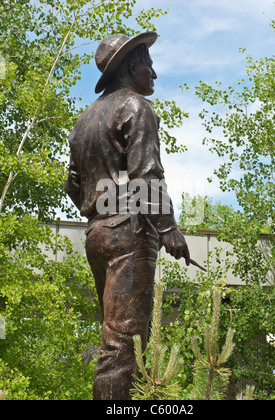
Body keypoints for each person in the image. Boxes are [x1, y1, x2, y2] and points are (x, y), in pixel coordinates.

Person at [65, 32, 190, 400]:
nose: (154, 73)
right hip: (128, 235)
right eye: (148, 64)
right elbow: (146, 175)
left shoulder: (85, 119)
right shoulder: (137, 107)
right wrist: (169, 230)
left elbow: (73, 184)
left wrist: (99, 212)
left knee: (114, 336)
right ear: (130, 67)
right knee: (124, 343)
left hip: (97, 235)